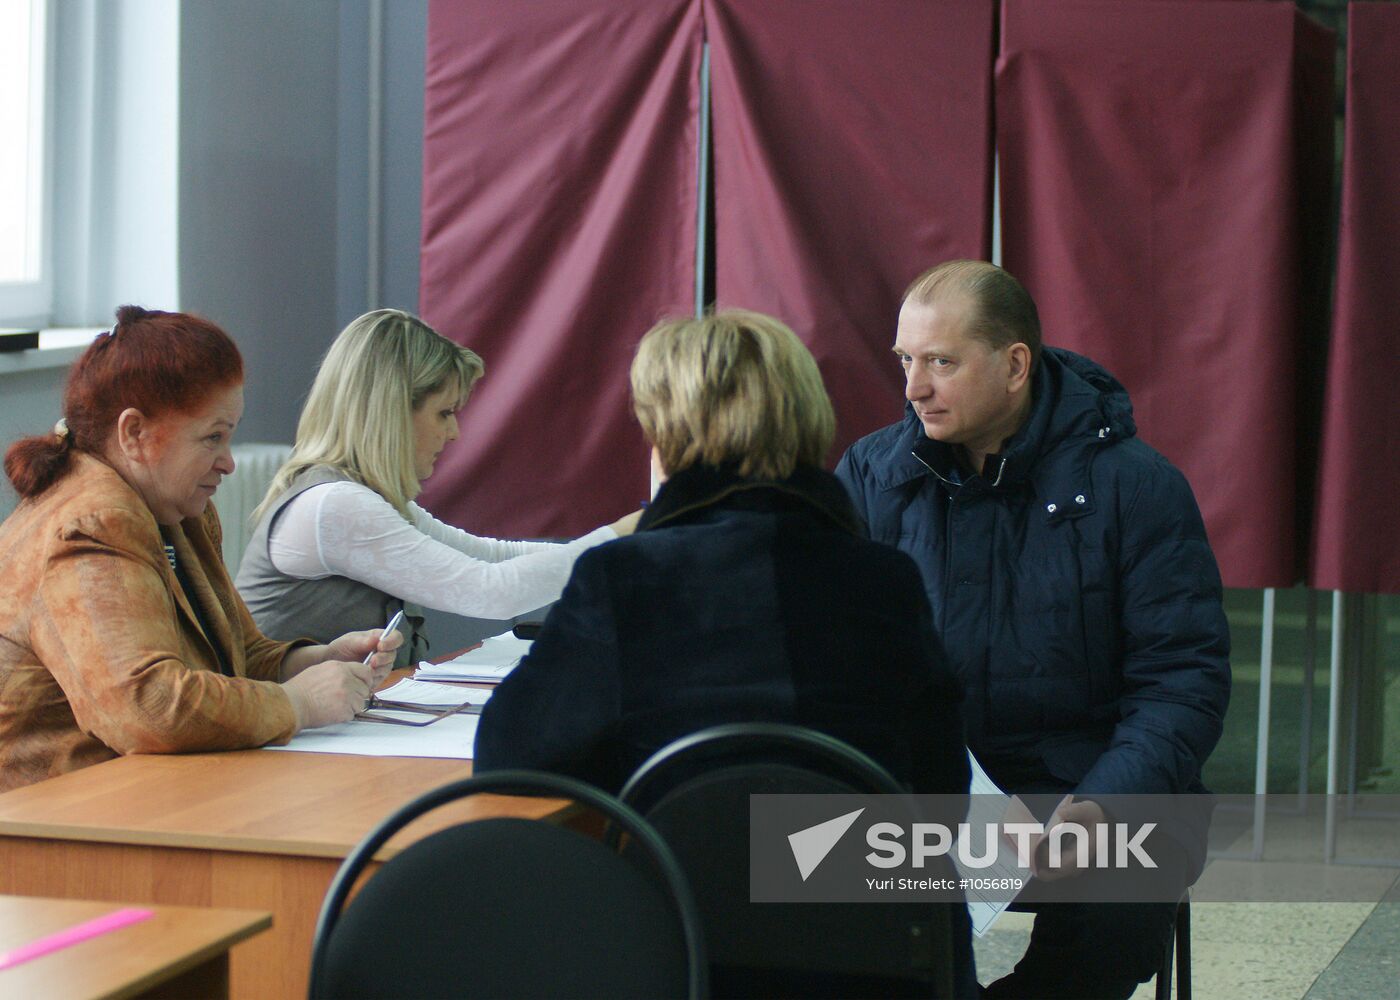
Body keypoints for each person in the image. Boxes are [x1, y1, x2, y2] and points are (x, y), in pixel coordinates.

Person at [474, 310, 976, 994]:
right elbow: (944, 792)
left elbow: (506, 756)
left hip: (680, 956)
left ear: (666, 436)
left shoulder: (623, 578)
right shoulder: (885, 581)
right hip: (880, 964)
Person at [836, 260, 1231, 999]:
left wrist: (1099, 806)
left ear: (1015, 364)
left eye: (941, 362)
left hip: (1094, 780)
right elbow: (835, 658)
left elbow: (1182, 682)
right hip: (933, 787)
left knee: (1116, 900)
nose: (914, 387)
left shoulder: (1137, 487)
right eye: (906, 361)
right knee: (793, 874)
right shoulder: (870, 475)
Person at [0, 307, 401, 793]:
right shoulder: (90, 525)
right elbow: (146, 708)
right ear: (134, 435)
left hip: (134, 795)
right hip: (55, 824)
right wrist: (297, 704)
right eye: (213, 437)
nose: (228, 462)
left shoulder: (177, 511)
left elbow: (235, 652)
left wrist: (312, 661)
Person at [236, 309, 641, 665]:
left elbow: (495, 557)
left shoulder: (360, 497)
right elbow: (491, 591)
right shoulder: (336, 505)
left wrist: (615, 546)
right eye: (444, 413)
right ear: (392, 414)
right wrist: (620, 535)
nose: (454, 432)